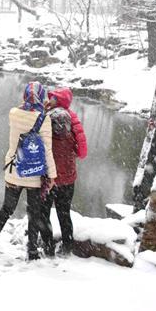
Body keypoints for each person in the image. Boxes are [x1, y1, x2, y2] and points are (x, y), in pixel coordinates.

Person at [0, 81, 57, 261]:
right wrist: (53, 175)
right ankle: (32, 250)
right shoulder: (44, 118)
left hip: (15, 169)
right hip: (34, 172)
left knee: (6, 209)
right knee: (34, 213)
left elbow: (25, 113)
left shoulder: (14, 114)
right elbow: (47, 150)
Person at [45, 87, 88, 256]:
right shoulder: (73, 120)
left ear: (58, 101)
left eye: (53, 98)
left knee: (44, 212)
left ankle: (48, 247)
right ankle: (67, 246)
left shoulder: (46, 117)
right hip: (68, 178)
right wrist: (70, 152)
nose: (51, 100)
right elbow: (83, 152)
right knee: (64, 213)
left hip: (50, 177)